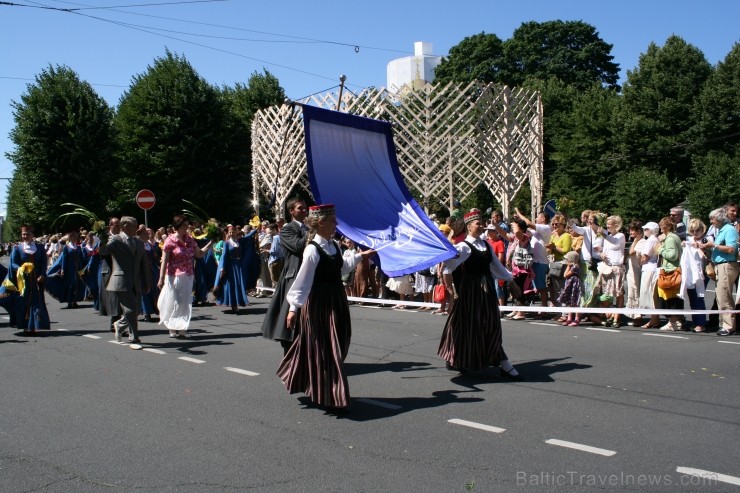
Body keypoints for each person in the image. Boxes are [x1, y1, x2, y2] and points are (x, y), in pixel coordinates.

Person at [276, 204, 374, 411]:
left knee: (340, 341)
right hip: (320, 304)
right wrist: (294, 308)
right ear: (320, 223)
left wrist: (360, 256)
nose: (336, 224)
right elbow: (303, 281)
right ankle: (331, 395)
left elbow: (342, 266)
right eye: (332, 221)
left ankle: (320, 387)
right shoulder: (312, 249)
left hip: (336, 300)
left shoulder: (334, 246)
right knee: (327, 349)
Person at [438, 210, 523, 379]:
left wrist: (510, 281)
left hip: (487, 290)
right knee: (468, 326)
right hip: (471, 291)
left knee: (490, 325)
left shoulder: (486, 245)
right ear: (469, 227)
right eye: (478, 223)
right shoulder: (463, 247)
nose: (482, 224)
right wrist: (450, 290)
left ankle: (498, 362)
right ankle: (459, 358)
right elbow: (448, 267)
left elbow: (496, 266)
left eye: (482, 221)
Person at [261, 198, 309, 354]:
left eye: (305, 208)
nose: (304, 211)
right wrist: (313, 232)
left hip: (310, 277)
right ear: (291, 211)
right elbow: (298, 246)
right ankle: (289, 357)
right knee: (290, 319)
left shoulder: (308, 228)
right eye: (300, 208)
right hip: (293, 277)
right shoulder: (288, 229)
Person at [99, 216, 152, 348]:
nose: (137, 228)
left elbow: (144, 264)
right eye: (134, 226)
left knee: (136, 310)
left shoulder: (139, 243)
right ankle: (134, 338)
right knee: (130, 309)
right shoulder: (115, 239)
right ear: (125, 226)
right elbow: (104, 251)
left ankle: (120, 324)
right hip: (121, 280)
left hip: (136, 281)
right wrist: (103, 238)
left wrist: (147, 282)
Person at [157, 215, 212, 338]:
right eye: (185, 225)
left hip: (188, 275)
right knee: (175, 302)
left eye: (187, 225)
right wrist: (161, 278)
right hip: (173, 276)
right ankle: (172, 327)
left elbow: (199, 254)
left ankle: (182, 328)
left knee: (185, 302)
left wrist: (210, 244)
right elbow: (164, 261)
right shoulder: (170, 241)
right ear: (178, 226)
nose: (187, 227)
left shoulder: (190, 240)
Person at [700, 207, 739, 336]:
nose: (711, 222)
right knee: (720, 297)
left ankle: (728, 326)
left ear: (721, 218)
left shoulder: (729, 230)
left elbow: (731, 249)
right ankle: (723, 323)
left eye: (713, 219)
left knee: (725, 296)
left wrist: (713, 245)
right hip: (720, 265)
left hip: (727, 265)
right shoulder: (721, 230)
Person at [7, 225, 50, 334]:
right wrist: (21, 268)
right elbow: (12, 263)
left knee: (37, 301)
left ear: (32, 235)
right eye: (23, 234)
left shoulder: (39, 248)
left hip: (37, 280)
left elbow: (44, 263)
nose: (25, 236)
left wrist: (42, 274)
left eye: (27, 234)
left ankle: (35, 326)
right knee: (24, 302)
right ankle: (25, 326)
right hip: (23, 280)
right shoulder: (17, 248)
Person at [593, 215, 626, 327]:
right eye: (607, 225)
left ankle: (617, 318)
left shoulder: (620, 236)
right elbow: (604, 249)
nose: (607, 226)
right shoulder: (607, 236)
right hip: (607, 267)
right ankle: (610, 314)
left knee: (618, 293)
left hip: (617, 267)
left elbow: (614, 242)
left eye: (609, 225)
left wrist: (603, 234)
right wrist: (601, 253)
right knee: (607, 294)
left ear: (616, 226)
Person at [656, 217, 684, 331]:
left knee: (669, 298)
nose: (660, 227)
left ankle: (672, 322)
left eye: (662, 225)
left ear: (667, 226)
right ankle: (676, 321)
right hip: (673, 269)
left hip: (671, 271)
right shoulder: (673, 237)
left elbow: (672, 255)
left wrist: (660, 250)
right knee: (674, 298)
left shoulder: (671, 238)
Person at [46, 230, 86, 309]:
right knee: (70, 284)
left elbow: (81, 258)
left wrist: (83, 268)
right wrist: (63, 269)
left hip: (77, 267)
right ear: (70, 238)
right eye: (73, 236)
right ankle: (69, 301)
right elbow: (64, 259)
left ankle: (75, 300)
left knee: (76, 284)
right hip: (69, 268)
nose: (75, 238)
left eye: (76, 237)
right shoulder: (66, 247)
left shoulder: (78, 247)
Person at [682, 219, 708, 333]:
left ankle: (701, 323)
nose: (695, 233)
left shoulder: (707, 240)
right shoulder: (689, 239)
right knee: (692, 298)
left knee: (699, 297)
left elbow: (706, 257)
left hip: (702, 272)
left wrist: (699, 247)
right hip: (690, 272)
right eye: (692, 230)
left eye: (697, 230)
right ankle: (695, 321)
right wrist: (684, 244)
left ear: (702, 230)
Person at [639, 222, 662, 329]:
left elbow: (645, 256)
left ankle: (654, 319)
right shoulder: (655, 239)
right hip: (652, 268)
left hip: (649, 268)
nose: (645, 231)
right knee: (652, 293)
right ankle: (655, 318)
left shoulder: (651, 240)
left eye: (646, 229)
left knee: (649, 292)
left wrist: (640, 262)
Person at [625, 221, 645, 325]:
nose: (630, 232)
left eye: (632, 230)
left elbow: (631, 252)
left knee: (636, 291)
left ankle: (638, 316)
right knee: (632, 290)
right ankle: (634, 315)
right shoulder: (635, 241)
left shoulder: (641, 241)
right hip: (632, 269)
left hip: (637, 270)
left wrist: (636, 240)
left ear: (638, 231)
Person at [558, 251, 582, 326]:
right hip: (570, 285)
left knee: (575, 302)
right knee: (570, 303)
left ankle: (577, 319)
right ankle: (569, 318)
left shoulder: (575, 267)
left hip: (574, 286)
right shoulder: (572, 267)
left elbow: (565, 275)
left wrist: (568, 266)